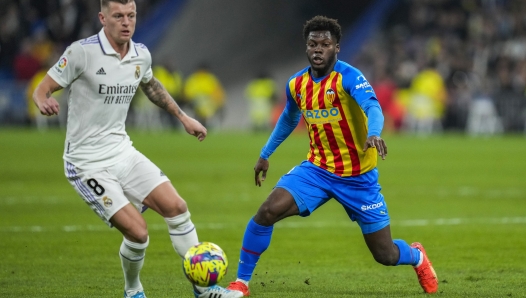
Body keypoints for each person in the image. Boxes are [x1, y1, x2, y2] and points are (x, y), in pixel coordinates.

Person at [32, 1, 242, 298]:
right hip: (86, 163)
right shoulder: (82, 52)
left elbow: (151, 84)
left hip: (122, 151)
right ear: (103, 18)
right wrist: (43, 100)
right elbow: (42, 88)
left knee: (177, 208)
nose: (126, 22)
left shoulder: (140, 54)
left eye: (130, 15)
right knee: (139, 233)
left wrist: (183, 118)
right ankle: (133, 291)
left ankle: (203, 290)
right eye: (118, 16)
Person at [226, 16, 438, 296]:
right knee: (266, 212)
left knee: (384, 254)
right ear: (306, 47)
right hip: (318, 170)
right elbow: (289, 119)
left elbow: (373, 107)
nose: (318, 49)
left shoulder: (349, 77)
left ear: (337, 48)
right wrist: (265, 154)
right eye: (313, 44)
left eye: (325, 44)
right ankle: (241, 283)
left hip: (358, 178)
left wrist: (374, 132)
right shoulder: (297, 84)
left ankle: (416, 256)